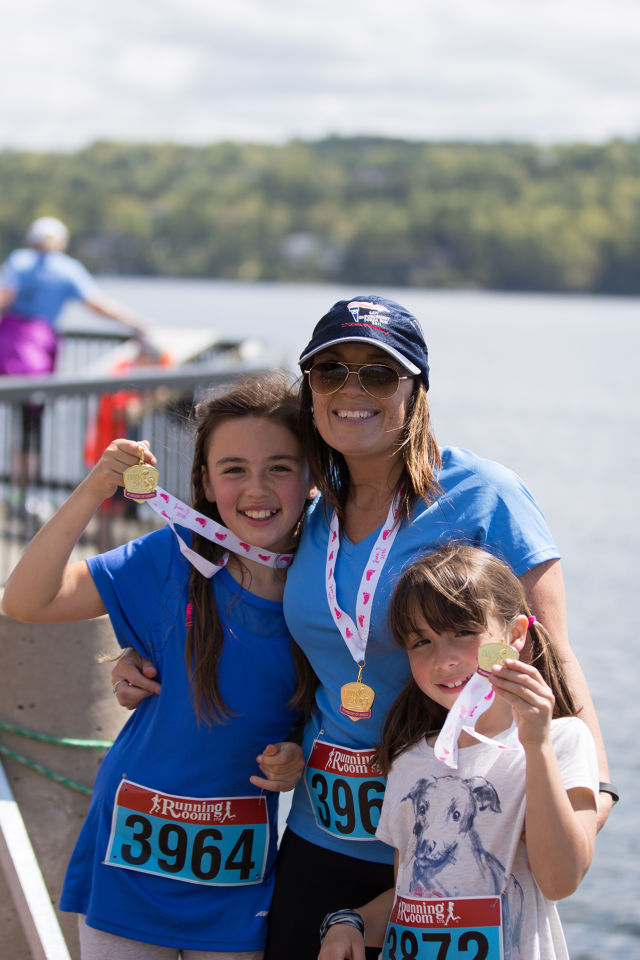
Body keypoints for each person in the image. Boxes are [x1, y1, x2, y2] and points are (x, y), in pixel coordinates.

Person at [112, 295, 614, 959]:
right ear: (311, 393)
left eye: (378, 374)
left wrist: (593, 793)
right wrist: (140, 653)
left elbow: (554, 656)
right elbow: (263, 620)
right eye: (331, 372)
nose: (352, 390)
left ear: (416, 390)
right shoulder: (310, 512)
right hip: (320, 832)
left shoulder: (484, 494)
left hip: (447, 842)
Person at [1, 371, 315, 959]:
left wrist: (300, 753)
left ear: (313, 474)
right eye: (233, 470)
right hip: (130, 862)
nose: (257, 488)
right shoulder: (173, 558)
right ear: (202, 479)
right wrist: (95, 485)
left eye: (280, 466)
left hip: (237, 883)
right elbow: (25, 600)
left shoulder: (329, 588)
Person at [317, 543, 598, 960]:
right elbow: (415, 898)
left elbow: (560, 881)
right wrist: (347, 923)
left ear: (515, 634)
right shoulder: (410, 760)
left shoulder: (563, 740)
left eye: (463, 632)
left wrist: (535, 743)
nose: (443, 660)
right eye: (420, 642)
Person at [0, 215, 151, 485]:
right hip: (38, 352)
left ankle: (17, 491)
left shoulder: (20, 262)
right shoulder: (66, 269)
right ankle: (25, 490)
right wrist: (137, 323)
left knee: (19, 419)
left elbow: (4, 298)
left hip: (12, 347)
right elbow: (97, 303)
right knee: (31, 424)